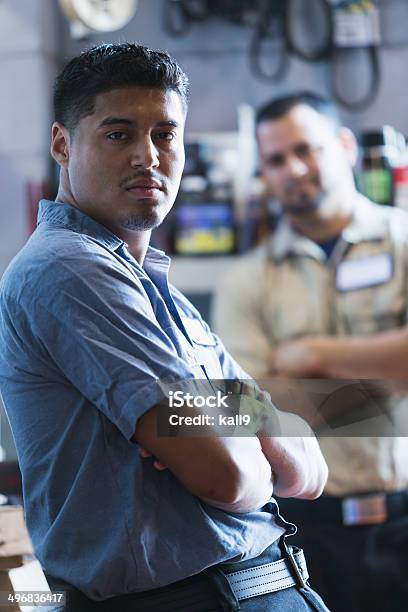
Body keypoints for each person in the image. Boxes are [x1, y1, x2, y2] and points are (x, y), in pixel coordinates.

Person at [0, 46, 329, 611]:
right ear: (61, 143)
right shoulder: (68, 268)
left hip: (255, 587)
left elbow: (309, 472)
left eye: (165, 135)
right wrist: (241, 427)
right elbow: (227, 475)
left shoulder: (158, 289)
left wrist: (237, 419)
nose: (147, 156)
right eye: (118, 134)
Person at [213, 91, 408, 612]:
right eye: (275, 160)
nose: (293, 168)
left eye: (308, 149)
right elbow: (243, 410)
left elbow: (275, 402)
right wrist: (387, 382)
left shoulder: (404, 240)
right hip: (305, 532)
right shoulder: (246, 282)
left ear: (344, 146)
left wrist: (313, 356)